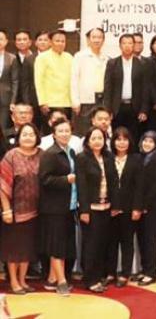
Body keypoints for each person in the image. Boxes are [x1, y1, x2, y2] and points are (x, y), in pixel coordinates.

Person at [76, 126, 119, 293]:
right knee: (91, 245)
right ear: (87, 141)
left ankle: (99, 276)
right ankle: (90, 279)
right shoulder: (82, 158)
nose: (97, 141)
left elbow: (114, 182)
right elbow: (81, 186)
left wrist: (115, 205)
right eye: (93, 138)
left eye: (100, 138)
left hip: (106, 207)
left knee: (102, 243)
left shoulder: (108, 157)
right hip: (90, 209)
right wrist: (84, 210)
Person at [0, 123, 41, 294]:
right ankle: (14, 281)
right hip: (15, 212)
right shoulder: (11, 156)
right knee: (14, 249)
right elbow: (2, 185)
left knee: (27, 248)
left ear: (37, 137)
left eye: (31, 134)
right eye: (25, 134)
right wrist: (6, 210)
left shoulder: (42, 155)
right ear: (18, 137)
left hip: (36, 211)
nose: (28, 137)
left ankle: (23, 281)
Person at [39, 118, 77, 296]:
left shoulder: (71, 151)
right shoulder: (50, 154)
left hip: (69, 206)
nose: (64, 134)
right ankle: (61, 282)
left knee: (64, 245)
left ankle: (52, 279)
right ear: (53, 134)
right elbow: (44, 180)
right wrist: (65, 180)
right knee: (56, 246)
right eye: (60, 131)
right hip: (54, 208)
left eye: (67, 130)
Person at [105, 127, 143, 288]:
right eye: (118, 139)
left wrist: (137, 208)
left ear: (130, 142)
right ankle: (110, 272)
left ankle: (125, 273)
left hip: (129, 208)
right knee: (111, 242)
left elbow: (140, 186)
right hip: (111, 208)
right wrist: (111, 205)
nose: (121, 143)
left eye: (125, 139)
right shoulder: (107, 159)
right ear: (113, 142)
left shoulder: (136, 159)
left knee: (127, 242)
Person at [103, 33, 149, 141]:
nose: (127, 46)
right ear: (120, 46)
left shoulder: (142, 64)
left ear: (134, 45)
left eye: (130, 43)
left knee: (133, 137)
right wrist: (108, 110)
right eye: (124, 43)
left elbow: (145, 89)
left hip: (134, 107)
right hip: (117, 107)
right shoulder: (112, 63)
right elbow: (108, 88)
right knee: (117, 136)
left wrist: (144, 110)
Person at [135, 131, 156, 286]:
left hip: (152, 207)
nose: (147, 144)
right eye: (145, 140)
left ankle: (151, 273)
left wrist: (145, 205)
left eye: (151, 141)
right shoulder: (139, 158)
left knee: (150, 239)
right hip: (139, 207)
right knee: (141, 239)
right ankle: (144, 269)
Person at [71, 28, 109, 135]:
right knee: (83, 131)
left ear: (103, 40)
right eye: (94, 37)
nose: (97, 40)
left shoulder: (106, 58)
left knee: (100, 131)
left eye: (99, 37)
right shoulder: (79, 56)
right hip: (85, 101)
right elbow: (74, 79)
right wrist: (75, 101)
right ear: (88, 40)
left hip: (101, 99)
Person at [34, 30, 73, 120]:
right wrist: (42, 102)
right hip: (50, 103)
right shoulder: (42, 57)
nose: (60, 43)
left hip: (67, 102)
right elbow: (38, 81)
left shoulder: (69, 57)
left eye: (63, 41)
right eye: (57, 41)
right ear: (50, 42)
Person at [0, 29, 19, 132]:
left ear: (6, 41)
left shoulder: (12, 58)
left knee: (3, 127)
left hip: (5, 98)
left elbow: (15, 81)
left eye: (1, 39)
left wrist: (13, 101)